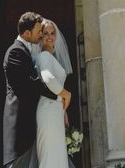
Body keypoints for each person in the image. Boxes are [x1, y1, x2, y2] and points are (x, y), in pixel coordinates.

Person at [3, 12, 71, 168]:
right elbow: (34, 83)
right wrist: (64, 95)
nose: (43, 35)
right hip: (19, 120)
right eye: (41, 31)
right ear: (27, 33)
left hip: (40, 114)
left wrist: (62, 106)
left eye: (50, 33)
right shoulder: (16, 51)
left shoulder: (30, 53)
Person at [35, 19, 74, 168]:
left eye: (52, 33)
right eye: (46, 33)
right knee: (50, 156)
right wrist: (66, 95)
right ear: (40, 36)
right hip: (48, 110)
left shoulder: (51, 58)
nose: (50, 37)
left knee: (57, 155)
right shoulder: (44, 56)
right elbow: (48, 78)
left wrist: (63, 111)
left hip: (55, 110)